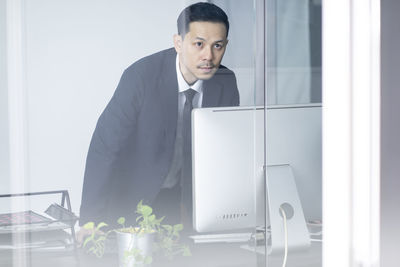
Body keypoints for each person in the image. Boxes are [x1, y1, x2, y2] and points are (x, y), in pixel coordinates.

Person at [78, 2, 239, 235]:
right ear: (178, 43)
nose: (209, 56)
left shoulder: (225, 82)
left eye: (218, 46)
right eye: (199, 44)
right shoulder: (140, 77)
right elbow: (104, 147)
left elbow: (226, 152)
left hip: (186, 207)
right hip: (131, 202)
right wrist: (90, 221)